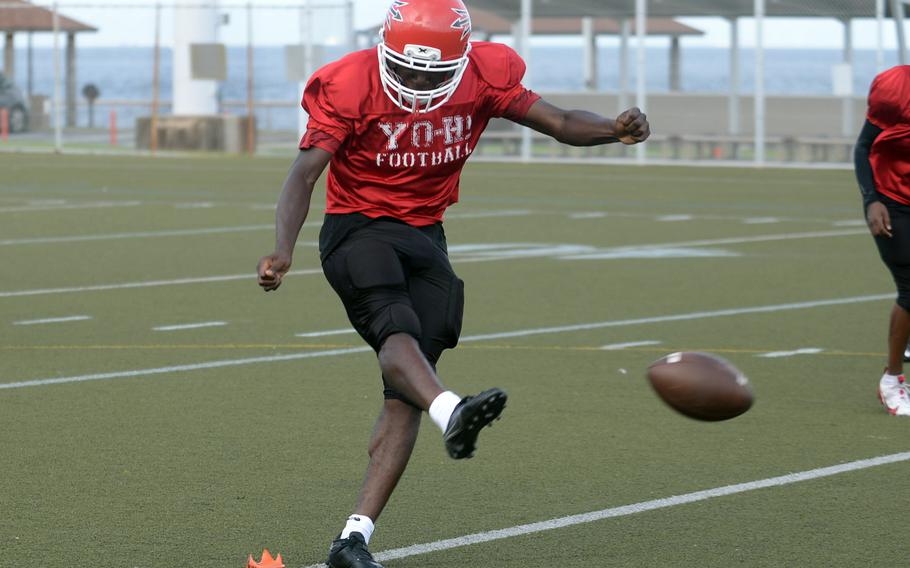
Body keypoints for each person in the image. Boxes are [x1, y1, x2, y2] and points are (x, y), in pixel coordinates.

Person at [256, 1, 650, 566]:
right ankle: (452, 411)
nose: (416, 82)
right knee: (395, 330)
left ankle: (354, 538)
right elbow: (303, 173)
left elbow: (560, 123)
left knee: (408, 383)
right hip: (358, 229)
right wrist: (283, 248)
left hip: (426, 236)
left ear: (461, 59)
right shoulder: (350, 83)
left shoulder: (484, 75)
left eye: (431, 72)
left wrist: (612, 129)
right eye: (406, 68)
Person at [854, 64, 910, 417]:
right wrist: (871, 199)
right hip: (893, 199)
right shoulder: (896, 87)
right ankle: (892, 379)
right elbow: (862, 147)